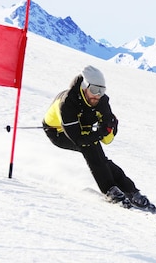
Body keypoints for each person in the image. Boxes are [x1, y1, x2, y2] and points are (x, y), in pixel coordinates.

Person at [42, 65, 150, 208]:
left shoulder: (102, 101)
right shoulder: (67, 102)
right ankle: (109, 190)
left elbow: (107, 140)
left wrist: (110, 128)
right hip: (58, 132)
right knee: (90, 148)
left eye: (101, 91)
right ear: (84, 87)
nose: (97, 95)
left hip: (83, 130)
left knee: (99, 154)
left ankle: (130, 190)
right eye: (94, 90)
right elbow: (78, 139)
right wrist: (99, 133)